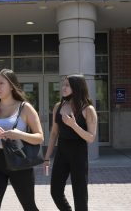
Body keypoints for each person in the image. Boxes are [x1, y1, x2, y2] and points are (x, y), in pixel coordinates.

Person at [0, 69, 44, 211]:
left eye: (1, 83)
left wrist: (19, 135)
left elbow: (40, 137)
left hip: (20, 161)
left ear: (12, 85)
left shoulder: (25, 107)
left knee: (29, 206)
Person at [44, 74, 98, 211]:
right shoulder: (58, 106)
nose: (63, 87)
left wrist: (74, 125)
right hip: (61, 153)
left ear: (77, 87)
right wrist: (47, 157)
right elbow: (54, 134)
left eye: (67, 85)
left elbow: (91, 138)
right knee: (55, 192)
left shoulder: (88, 109)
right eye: (63, 84)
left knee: (79, 195)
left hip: (78, 154)